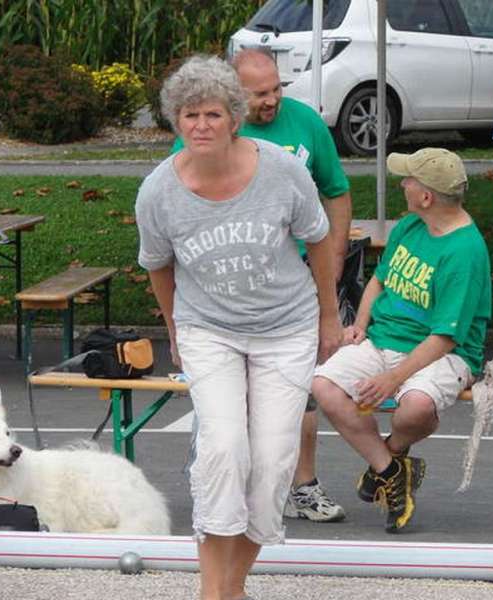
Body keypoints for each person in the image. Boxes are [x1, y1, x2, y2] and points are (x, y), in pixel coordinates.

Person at [137, 55, 341, 600]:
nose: (200, 125)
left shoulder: (281, 170)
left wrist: (329, 314)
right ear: (175, 121)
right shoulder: (157, 192)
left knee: (273, 459)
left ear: (234, 117)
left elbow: (318, 238)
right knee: (224, 447)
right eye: (188, 115)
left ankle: (234, 586)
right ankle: (214, 593)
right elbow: (158, 265)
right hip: (209, 328)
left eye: (211, 114)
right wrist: (176, 330)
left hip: (286, 325)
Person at [172, 47, 352, 523]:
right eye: (259, 94)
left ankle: (303, 484)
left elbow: (335, 191)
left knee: (300, 391)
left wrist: (333, 259)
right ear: (234, 97)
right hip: (222, 297)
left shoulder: (305, 123)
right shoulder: (209, 132)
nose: (271, 101)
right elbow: (175, 212)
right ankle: (219, 484)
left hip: (291, 290)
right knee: (226, 409)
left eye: (276, 89)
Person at [312, 148, 491, 533]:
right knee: (323, 385)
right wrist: (359, 324)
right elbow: (379, 280)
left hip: (444, 352)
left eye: (408, 179)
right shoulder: (411, 225)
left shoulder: (465, 251)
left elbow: (443, 338)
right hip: (382, 338)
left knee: (416, 409)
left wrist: (391, 380)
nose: (402, 184)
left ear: (426, 196)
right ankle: (390, 470)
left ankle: (391, 454)